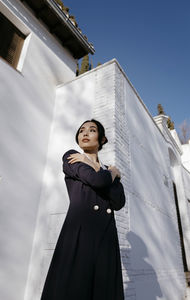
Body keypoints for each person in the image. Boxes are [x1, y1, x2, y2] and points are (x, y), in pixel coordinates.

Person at [40, 119, 126, 300]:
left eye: (92, 130)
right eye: (81, 131)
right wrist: (113, 173)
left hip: (106, 235)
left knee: (103, 291)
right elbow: (98, 181)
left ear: (102, 140)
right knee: (74, 288)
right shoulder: (72, 157)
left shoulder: (105, 168)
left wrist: (98, 168)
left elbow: (118, 202)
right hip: (80, 231)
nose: (85, 133)